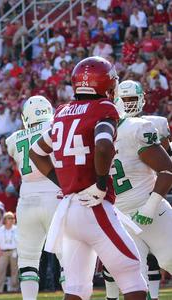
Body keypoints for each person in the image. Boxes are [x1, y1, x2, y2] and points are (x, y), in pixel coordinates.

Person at [30, 56, 147, 300]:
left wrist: (64, 183)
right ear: (105, 84)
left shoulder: (62, 112)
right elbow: (103, 146)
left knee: (76, 288)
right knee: (132, 273)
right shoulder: (104, 108)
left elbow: (36, 152)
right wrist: (101, 184)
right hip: (93, 207)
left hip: (69, 210)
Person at [102, 80, 172, 300]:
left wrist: (150, 208)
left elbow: (166, 168)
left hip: (143, 209)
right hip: (124, 216)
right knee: (134, 285)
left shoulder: (140, 126)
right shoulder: (132, 128)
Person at [5, 95, 64, 299]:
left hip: (27, 200)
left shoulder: (14, 139)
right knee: (67, 257)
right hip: (56, 194)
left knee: (28, 260)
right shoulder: (56, 128)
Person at [0, 212, 18, 294]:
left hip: (14, 251)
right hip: (3, 252)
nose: (12, 219)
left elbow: (22, 242)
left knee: (15, 271)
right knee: (0, 270)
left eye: (12, 218)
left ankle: (14, 288)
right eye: (9, 218)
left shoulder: (17, 229)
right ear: (5, 220)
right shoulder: (1, 229)